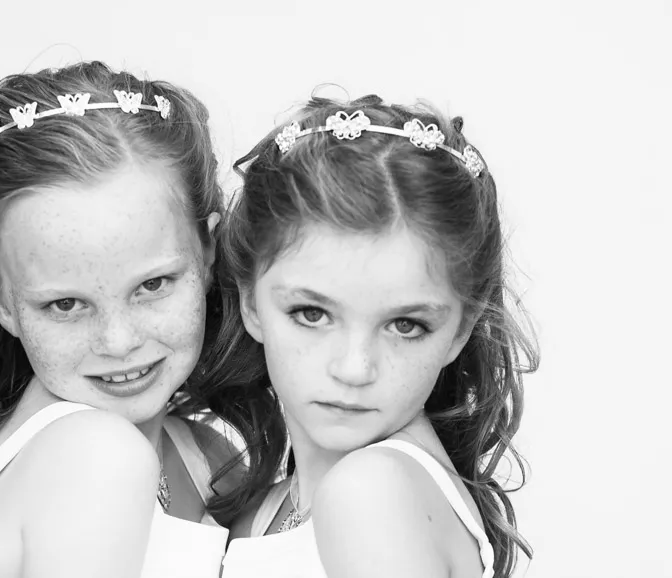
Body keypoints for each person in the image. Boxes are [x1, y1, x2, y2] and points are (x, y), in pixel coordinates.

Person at [0, 60, 286, 578]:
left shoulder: (202, 451)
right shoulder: (92, 456)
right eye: (65, 305)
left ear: (206, 252)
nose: (118, 341)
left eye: (152, 285)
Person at [218, 95, 538, 578]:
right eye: (311, 313)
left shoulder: (372, 493)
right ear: (250, 303)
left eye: (405, 325)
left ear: (460, 331)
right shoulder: (264, 513)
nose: (353, 367)